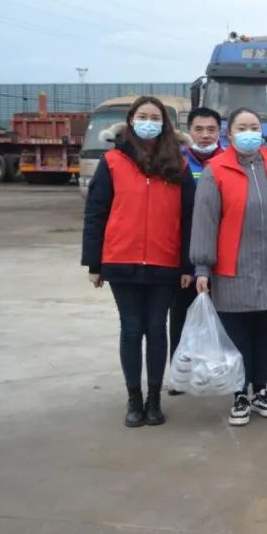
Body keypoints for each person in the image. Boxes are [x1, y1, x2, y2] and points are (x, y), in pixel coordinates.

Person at [82, 96, 195, 427]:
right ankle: (134, 398)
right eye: (143, 116)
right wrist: (94, 263)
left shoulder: (178, 165)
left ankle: (154, 399)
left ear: (165, 124)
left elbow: (189, 218)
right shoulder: (112, 161)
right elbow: (96, 212)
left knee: (156, 329)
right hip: (122, 260)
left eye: (155, 117)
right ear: (131, 120)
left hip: (164, 262)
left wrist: (187, 265)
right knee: (131, 329)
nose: (149, 122)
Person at [190, 108, 267, 426]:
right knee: (237, 335)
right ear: (229, 134)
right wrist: (202, 267)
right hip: (232, 267)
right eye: (242, 128)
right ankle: (240, 393)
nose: (250, 133)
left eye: (254, 127)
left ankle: (260, 388)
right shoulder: (216, 170)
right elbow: (205, 221)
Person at [167, 106, 223, 395]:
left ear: (220, 132)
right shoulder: (176, 163)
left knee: (219, 318)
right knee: (181, 316)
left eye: (211, 130)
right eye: (199, 129)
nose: (205, 135)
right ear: (189, 131)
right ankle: (180, 374)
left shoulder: (228, 162)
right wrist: (184, 263)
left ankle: (215, 372)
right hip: (185, 254)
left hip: (222, 254)